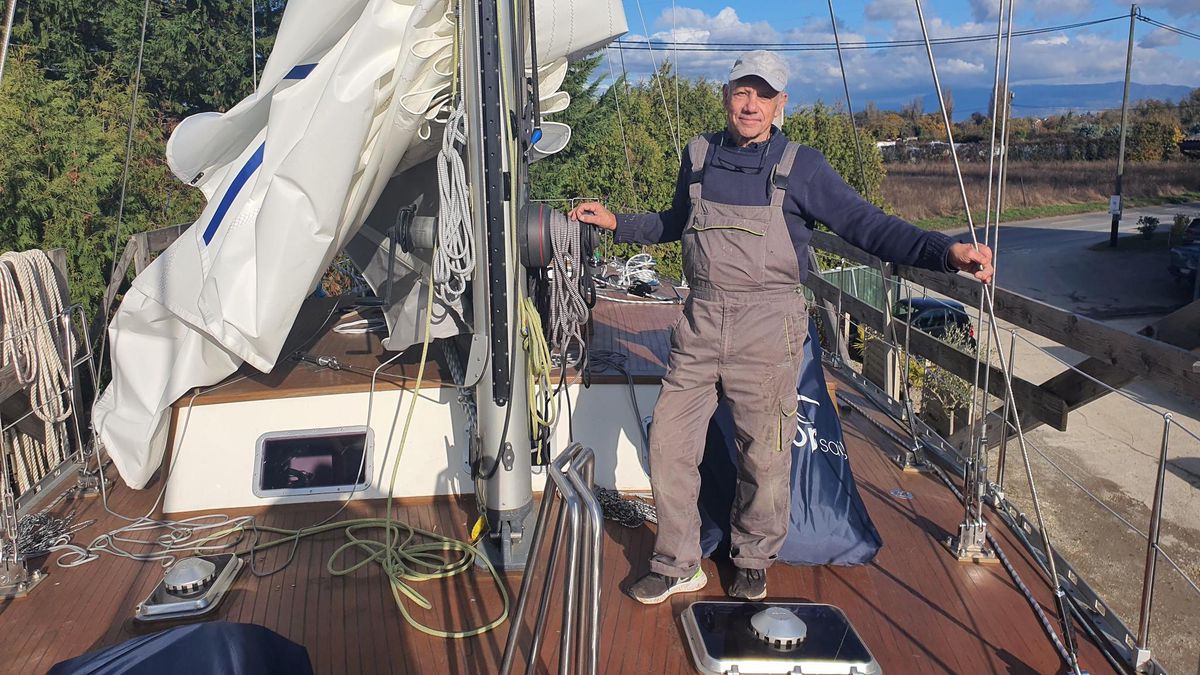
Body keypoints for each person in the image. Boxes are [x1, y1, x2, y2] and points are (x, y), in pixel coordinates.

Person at [569, 50, 993, 604]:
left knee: (762, 456)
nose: (750, 105)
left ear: (780, 105)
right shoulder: (698, 154)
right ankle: (677, 562)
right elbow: (677, 223)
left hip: (769, 329)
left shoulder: (803, 166)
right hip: (698, 321)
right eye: (741, 92)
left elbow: (868, 226)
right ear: (726, 96)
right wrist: (620, 223)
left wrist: (945, 251)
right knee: (670, 444)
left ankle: (752, 556)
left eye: (762, 95)